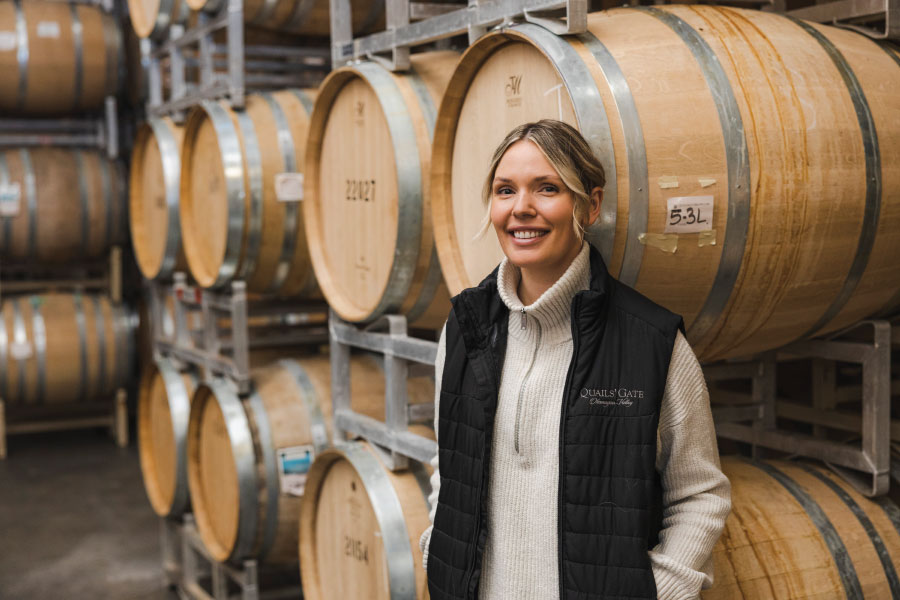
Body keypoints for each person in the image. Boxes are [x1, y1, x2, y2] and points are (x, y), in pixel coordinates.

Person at [419, 120, 731, 600]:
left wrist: (661, 590)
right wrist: (436, 549)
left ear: (591, 204)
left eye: (547, 188)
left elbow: (699, 494)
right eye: (506, 190)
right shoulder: (464, 328)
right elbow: (450, 464)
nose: (522, 208)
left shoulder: (651, 342)